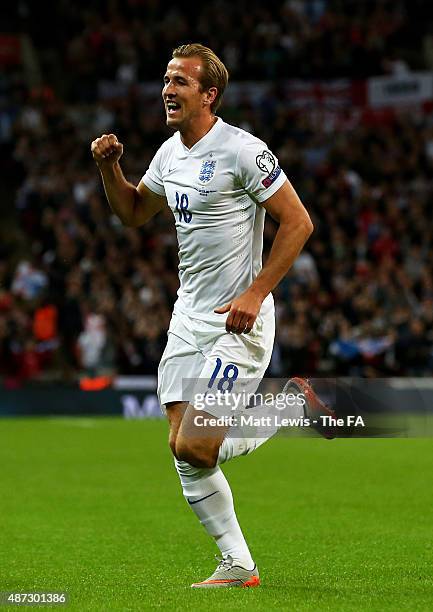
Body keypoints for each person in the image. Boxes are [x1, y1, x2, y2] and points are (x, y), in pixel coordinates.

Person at [91, 43, 332, 588]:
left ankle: (291, 405)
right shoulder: (168, 154)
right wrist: (111, 170)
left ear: (209, 94)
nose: (168, 89)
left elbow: (298, 223)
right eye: (167, 79)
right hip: (188, 319)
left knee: (198, 443)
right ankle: (238, 564)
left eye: (181, 82)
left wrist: (255, 292)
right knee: (185, 452)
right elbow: (132, 212)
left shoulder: (243, 151)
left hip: (237, 324)